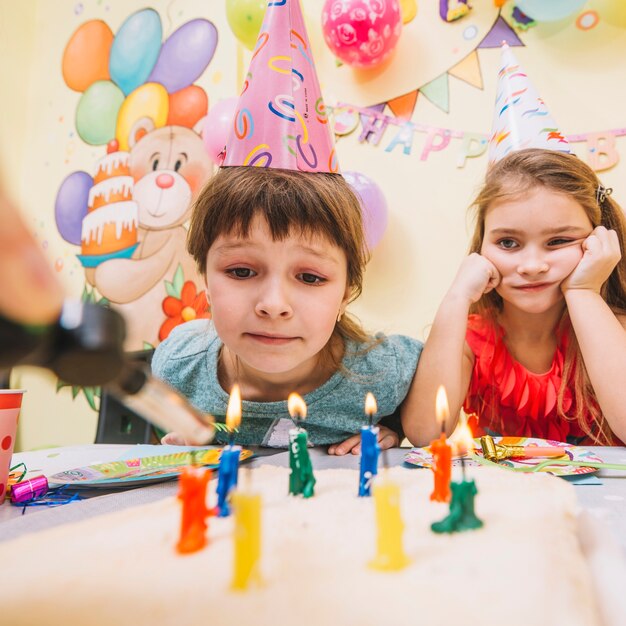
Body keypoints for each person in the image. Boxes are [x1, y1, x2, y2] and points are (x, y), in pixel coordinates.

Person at [152, 166, 423, 454]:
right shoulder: (179, 368)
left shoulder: (384, 372)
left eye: (309, 277)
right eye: (242, 271)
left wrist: (395, 428)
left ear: (345, 294)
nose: (273, 305)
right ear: (206, 280)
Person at [403, 148, 626, 447]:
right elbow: (423, 432)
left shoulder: (614, 329)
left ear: (599, 241)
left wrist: (583, 292)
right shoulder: (470, 340)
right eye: (508, 242)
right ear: (481, 247)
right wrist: (456, 297)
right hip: (506, 494)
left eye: (558, 241)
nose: (532, 266)